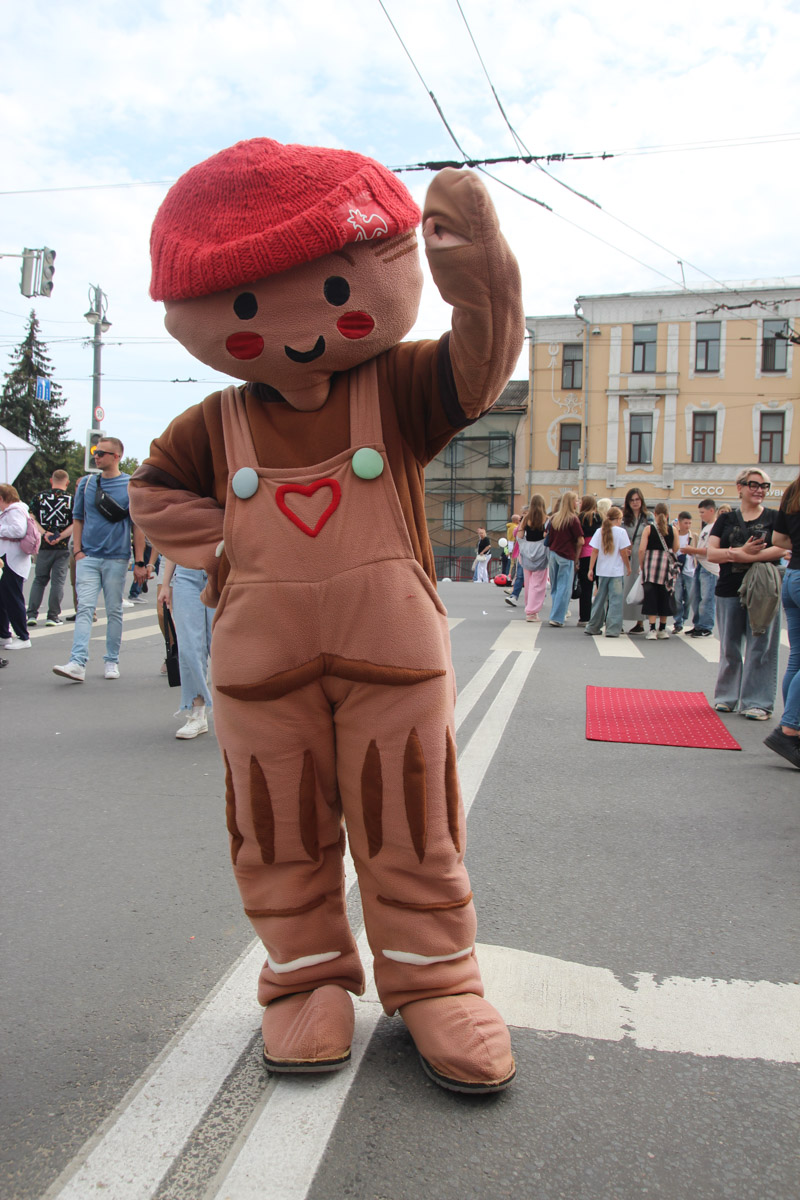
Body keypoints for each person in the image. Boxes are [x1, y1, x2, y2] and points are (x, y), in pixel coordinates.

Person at [130, 141, 524, 1092]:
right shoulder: (211, 426)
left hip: (392, 657)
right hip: (263, 671)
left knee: (411, 816)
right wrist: (226, 546)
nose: (302, 332)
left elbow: (480, 362)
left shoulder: (391, 387)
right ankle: (304, 979)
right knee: (276, 826)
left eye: (333, 289)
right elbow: (151, 492)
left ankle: (435, 982)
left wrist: (475, 275)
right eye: (252, 307)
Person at [53, 437, 148, 682]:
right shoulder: (86, 484)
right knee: (84, 609)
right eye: (96, 452)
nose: (97, 456)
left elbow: (137, 526)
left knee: (114, 611)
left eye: (102, 453)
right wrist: (78, 552)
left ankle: (111, 661)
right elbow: (78, 519)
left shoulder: (130, 485)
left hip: (117, 558)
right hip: (88, 557)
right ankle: (77, 662)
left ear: (116, 457)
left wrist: (139, 562)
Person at [706, 468, 785, 720]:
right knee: (729, 644)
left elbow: (782, 549)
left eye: (764, 486)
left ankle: (757, 701)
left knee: (761, 645)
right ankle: (727, 696)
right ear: (739, 487)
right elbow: (711, 553)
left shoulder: (775, 517)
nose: (759, 490)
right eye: (754, 484)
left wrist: (748, 555)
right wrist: (738, 554)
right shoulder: (726, 519)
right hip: (729, 587)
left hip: (763, 590)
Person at [158, 560, 216, 738]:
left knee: (220, 647)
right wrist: (166, 584)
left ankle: (237, 711)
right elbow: (176, 542)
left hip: (220, 574)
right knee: (189, 648)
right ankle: (197, 711)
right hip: (186, 575)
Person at [767, 468, 800, 767]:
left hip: (793, 577)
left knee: (797, 657)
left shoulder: (793, 489)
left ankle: (791, 723)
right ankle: (790, 728)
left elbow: (779, 538)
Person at [26, 469, 73, 626]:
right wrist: (60, 536)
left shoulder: (39, 498)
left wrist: (45, 533)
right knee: (58, 582)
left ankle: (31, 614)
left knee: (39, 580)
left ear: (51, 481)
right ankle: (52, 616)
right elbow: (76, 522)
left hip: (44, 546)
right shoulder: (72, 500)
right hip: (62, 546)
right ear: (67, 482)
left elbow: (31, 517)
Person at [585, 506, 631, 637]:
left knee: (599, 600)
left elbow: (594, 551)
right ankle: (612, 628)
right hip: (616, 572)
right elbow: (623, 552)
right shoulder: (621, 532)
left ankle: (593, 626)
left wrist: (590, 568)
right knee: (615, 601)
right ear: (617, 519)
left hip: (601, 571)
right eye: (621, 519)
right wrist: (628, 566)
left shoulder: (600, 531)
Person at [638, 502, 678, 640]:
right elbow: (676, 548)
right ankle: (662, 628)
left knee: (651, 598)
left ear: (654, 514)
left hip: (651, 567)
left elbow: (642, 549)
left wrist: (642, 565)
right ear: (667, 515)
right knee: (665, 597)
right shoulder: (673, 530)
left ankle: (652, 629)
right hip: (666, 568)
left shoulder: (649, 529)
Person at [0, 484, 33, 649]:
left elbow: (18, 531)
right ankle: (4, 634)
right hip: (10, 559)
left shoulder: (14, 511)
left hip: (12, 560)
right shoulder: (17, 509)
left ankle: (23, 636)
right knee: (4, 598)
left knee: (13, 598)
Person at [545, 491, 583, 627]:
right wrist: (577, 558)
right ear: (571, 502)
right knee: (564, 587)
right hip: (567, 555)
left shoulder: (554, 517)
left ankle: (554, 613)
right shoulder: (573, 519)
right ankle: (557, 617)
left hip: (553, 553)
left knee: (555, 586)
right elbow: (580, 540)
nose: (577, 503)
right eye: (576, 500)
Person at [682, 499, 719, 637]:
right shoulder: (707, 527)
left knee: (707, 597)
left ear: (711, 511)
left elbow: (710, 550)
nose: (701, 515)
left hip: (710, 567)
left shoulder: (715, 527)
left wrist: (693, 550)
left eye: (702, 512)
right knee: (696, 596)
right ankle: (698, 624)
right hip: (701, 564)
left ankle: (706, 626)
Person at [515, 494, 549, 622]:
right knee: (539, 584)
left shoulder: (526, 518)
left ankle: (529, 609)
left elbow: (520, 534)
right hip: (541, 553)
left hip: (527, 553)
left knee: (529, 583)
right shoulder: (546, 519)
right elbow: (547, 535)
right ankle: (532, 611)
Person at [622, 487, 652, 634]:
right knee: (624, 587)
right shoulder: (624, 518)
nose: (635, 502)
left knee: (640, 588)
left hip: (643, 555)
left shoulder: (648, 517)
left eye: (637, 499)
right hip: (627, 555)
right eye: (632, 500)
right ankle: (619, 620)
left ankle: (640, 622)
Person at [576, 495, 602, 627]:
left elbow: (579, 539)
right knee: (600, 587)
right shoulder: (600, 518)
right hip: (599, 554)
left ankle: (584, 617)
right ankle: (600, 617)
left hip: (584, 555)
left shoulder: (580, 518)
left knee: (586, 588)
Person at [671, 511, 696, 633]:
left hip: (690, 570)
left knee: (690, 597)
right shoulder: (674, 535)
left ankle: (684, 616)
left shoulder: (693, 537)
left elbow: (698, 552)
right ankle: (678, 621)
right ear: (679, 523)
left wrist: (692, 551)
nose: (688, 525)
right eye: (685, 523)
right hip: (677, 569)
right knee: (677, 597)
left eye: (690, 523)